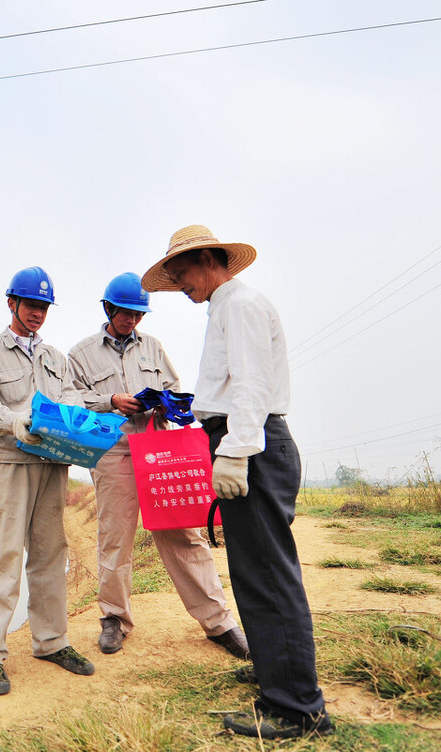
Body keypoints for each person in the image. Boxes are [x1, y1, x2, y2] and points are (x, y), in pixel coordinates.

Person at [141, 225, 334, 739]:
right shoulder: (224, 308)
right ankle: (277, 673)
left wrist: (235, 451)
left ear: (208, 259)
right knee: (252, 571)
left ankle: (297, 709)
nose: (179, 284)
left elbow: (252, 385)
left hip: (251, 446)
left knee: (268, 573)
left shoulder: (240, 305)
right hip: (239, 443)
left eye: (181, 274)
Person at [67, 273, 249, 660]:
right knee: (115, 536)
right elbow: (71, 402)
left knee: (184, 534)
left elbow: (174, 388)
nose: (131, 320)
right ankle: (114, 618)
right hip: (113, 452)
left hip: (159, 451)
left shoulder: (153, 348)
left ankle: (218, 622)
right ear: (108, 308)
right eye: (125, 313)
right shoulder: (80, 354)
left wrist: (165, 402)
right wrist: (111, 400)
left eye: (137, 314)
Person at [0, 266, 95, 696]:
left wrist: (78, 417)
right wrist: (15, 420)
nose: (38, 313)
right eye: (31, 305)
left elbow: (71, 396)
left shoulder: (56, 358)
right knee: (2, 556)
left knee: (50, 554)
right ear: (11, 304)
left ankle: (52, 642)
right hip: (9, 463)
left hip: (52, 465)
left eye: (43, 307)